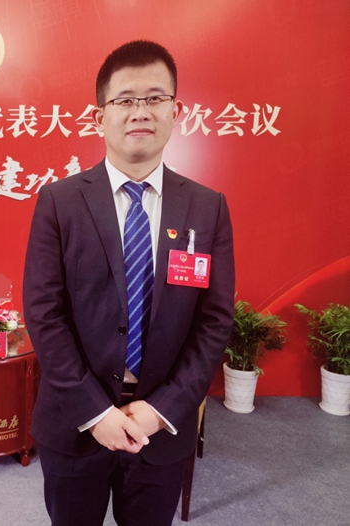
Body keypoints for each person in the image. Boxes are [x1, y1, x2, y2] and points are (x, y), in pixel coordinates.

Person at [23, 40, 235, 525]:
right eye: (124, 100)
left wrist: (162, 410)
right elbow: (43, 313)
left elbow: (214, 322)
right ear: (100, 117)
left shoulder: (208, 207)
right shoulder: (59, 202)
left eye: (155, 98)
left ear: (175, 111)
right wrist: (96, 413)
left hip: (160, 427)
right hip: (75, 422)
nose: (140, 111)